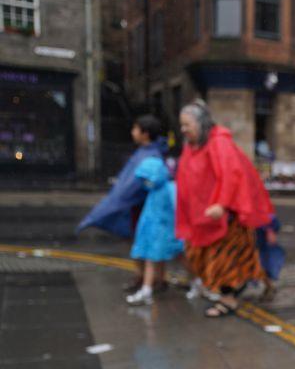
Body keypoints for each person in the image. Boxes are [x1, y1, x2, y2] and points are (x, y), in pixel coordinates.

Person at [175, 100, 275, 318]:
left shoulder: (219, 142)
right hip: (202, 215)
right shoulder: (192, 146)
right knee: (209, 255)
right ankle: (263, 283)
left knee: (226, 260)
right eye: (181, 125)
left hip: (226, 217)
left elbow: (231, 175)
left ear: (201, 124)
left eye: (187, 125)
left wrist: (221, 203)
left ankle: (229, 298)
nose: (183, 130)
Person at [77, 114, 168, 292]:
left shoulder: (149, 155)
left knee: (145, 244)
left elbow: (137, 183)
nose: (132, 132)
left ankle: (149, 279)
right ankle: (151, 278)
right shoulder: (148, 153)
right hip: (139, 206)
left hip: (142, 207)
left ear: (145, 133)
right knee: (145, 243)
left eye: (135, 129)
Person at [125, 137, 184, 306]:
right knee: (157, 257)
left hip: (162, 230)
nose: (145, 183)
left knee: (155, 258)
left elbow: (172, 210)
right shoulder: (157, 190)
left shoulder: (166, 189)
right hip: (156, 231)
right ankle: (156, 284)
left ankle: (147, 289)